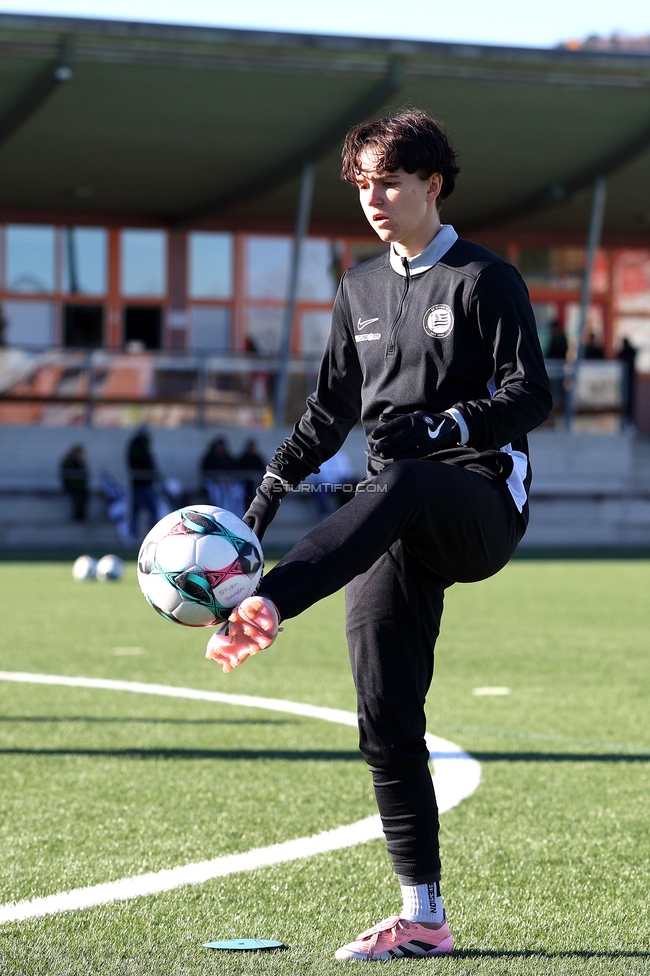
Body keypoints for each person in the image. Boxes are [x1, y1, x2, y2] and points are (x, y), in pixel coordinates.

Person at [205, 109, 552, 961]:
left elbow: (531, 395)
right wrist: (257, 511)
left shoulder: (486, 279)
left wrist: (446, 427)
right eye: (363, 185)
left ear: (433, 184)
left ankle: (270, 605)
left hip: (477, 502)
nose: (374, 199)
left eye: (390, 183)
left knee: (400, 478)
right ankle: (423, 917)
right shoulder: (357, 287)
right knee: (384, 718)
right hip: (387, 513)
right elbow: (326, 416)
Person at [127, 426, 159, 538]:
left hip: (139, 484)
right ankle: (153, 534)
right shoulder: (140, 447)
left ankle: (134, 534)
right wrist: (151, 472)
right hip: (143, 484)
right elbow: (145, 462)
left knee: (137, 512)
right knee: (151, 510)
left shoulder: (134, 446)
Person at [201, 437, 244, 516]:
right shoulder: (209, 458)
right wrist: (218, 479)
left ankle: (234, 515)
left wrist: (228, 479)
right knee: (217, 494)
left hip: (228, 484)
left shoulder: (227, 458)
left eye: (221, 447)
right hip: (213, 483)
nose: (220, 449)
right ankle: (218, 513)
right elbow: (206, 472)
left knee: (237, 491)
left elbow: (233, 471)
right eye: (218, 447)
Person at [60, 444, 89, 521]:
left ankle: (81, 517)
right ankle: (77, 518)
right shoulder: (68, 462)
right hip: (73, 487)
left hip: (81, 487)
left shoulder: (81, 462)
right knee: (77, 501)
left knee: (83, 500)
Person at [237, 438, 266, 510]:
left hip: (255, 485)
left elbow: (263, 469)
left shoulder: (257, 458)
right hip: (244, 485)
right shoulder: (243, 458)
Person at [617, 336, 637, 426]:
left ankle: (628, 420)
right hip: (626, 379)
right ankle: (627, 419)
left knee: (628, 399)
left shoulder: (628, 352)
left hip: (628, 379)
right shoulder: (630, 351)